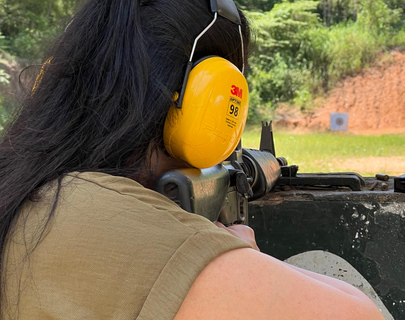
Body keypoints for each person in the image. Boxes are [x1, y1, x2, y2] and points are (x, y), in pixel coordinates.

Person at [0, 0, 385, 319]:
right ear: (209, 106)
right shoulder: (95, 216)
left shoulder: (35, 186)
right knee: (319, 262)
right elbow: (358, 313)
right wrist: (237, 252)